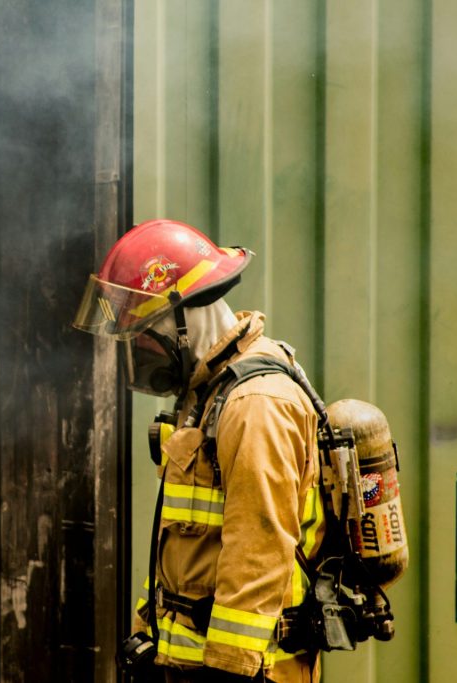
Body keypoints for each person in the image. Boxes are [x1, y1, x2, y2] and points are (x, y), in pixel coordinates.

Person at [72, 219, 324, 683]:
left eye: (146, 338)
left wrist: (228, 673)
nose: (141, 356)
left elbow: (258, 557)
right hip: (188, 665)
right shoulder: (206, 394)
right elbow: (186, 545)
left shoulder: (255, 406)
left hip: (249, 673)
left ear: (183, 321)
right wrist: (149, 634)